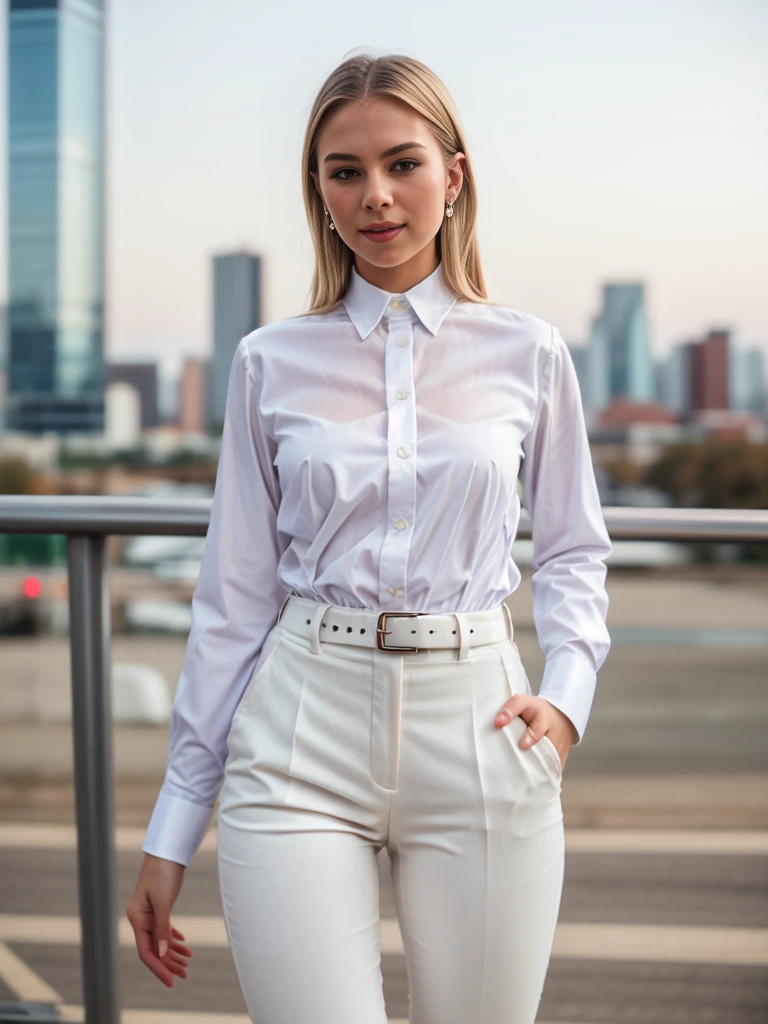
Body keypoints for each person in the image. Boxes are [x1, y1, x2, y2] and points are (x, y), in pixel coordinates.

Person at [127, 49, 612, 1024]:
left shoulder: (530, 351)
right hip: (299, 729)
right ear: (319, 188)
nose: (376, 197)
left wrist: (564, 701)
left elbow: (570, 550)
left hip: (483, 726)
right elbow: (233, 601)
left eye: (403, 164)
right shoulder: (269, 361)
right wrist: (174, 824)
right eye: (345, 171)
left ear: (454, 176)